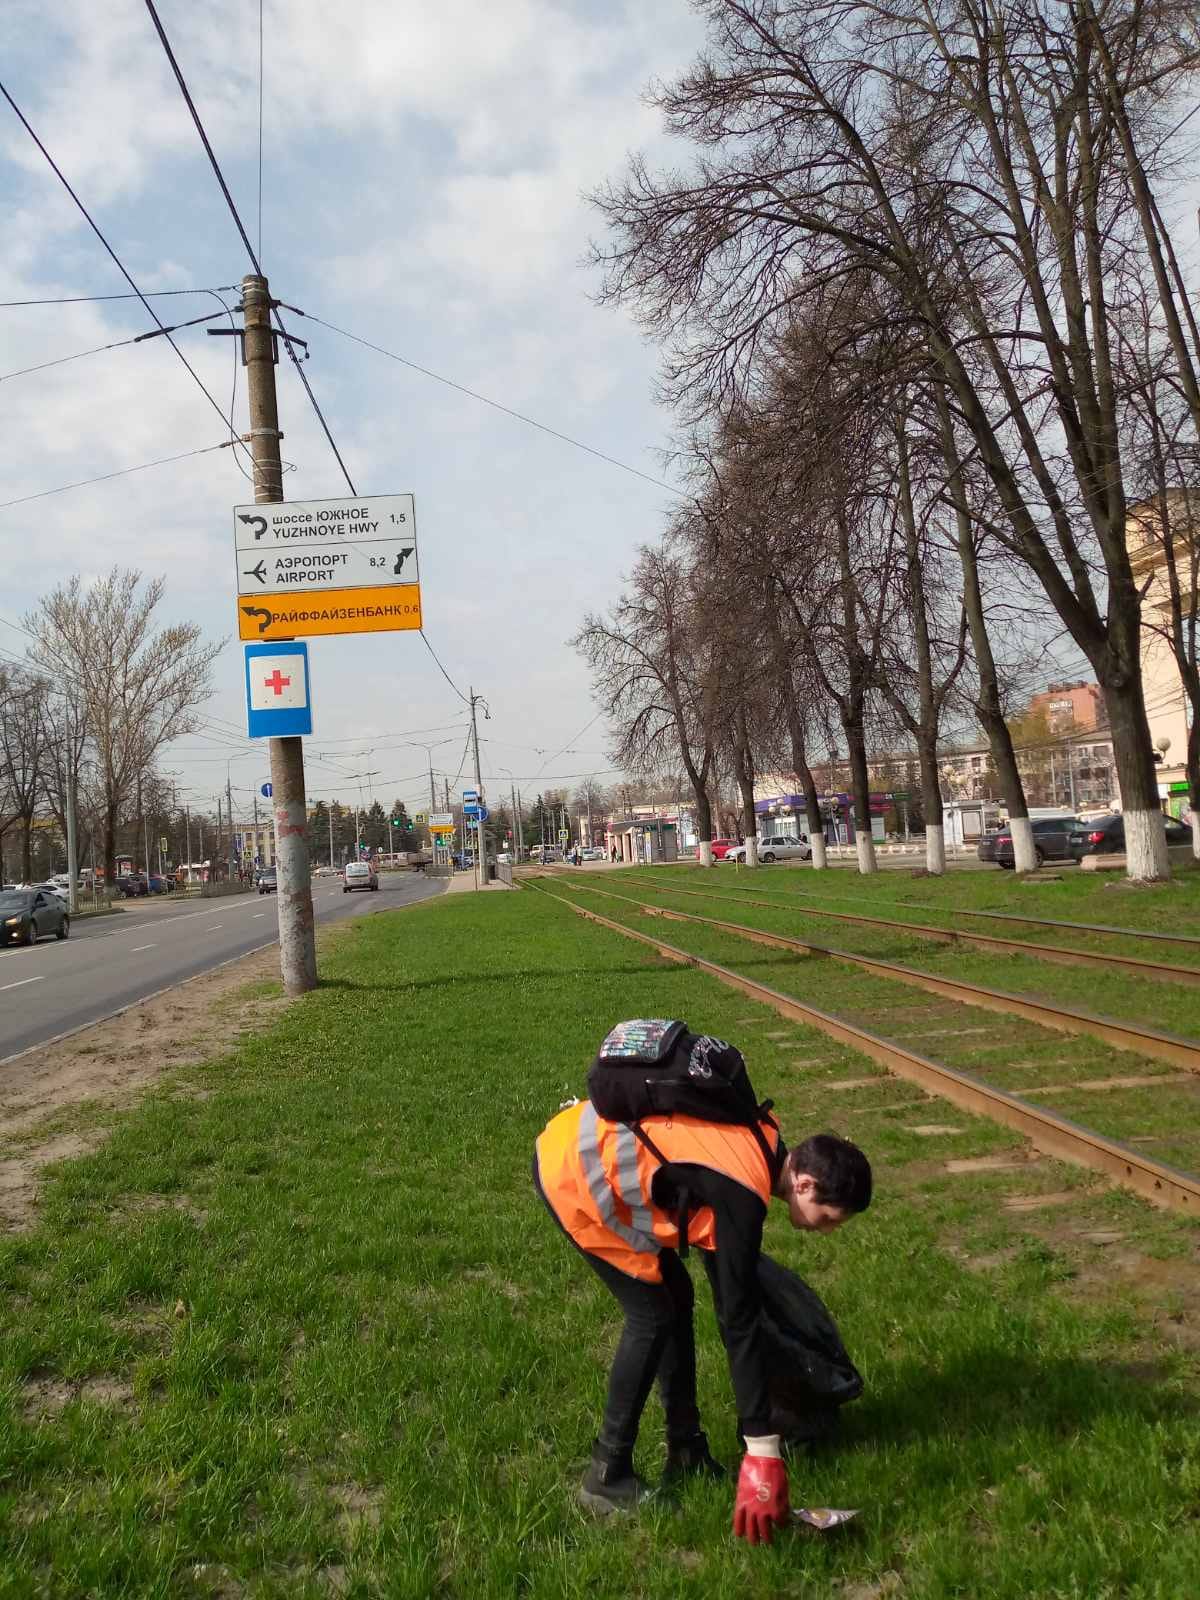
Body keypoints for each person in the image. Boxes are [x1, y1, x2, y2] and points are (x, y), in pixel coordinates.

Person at [533, 1036, 871, 1545]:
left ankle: (686, 1452)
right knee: (652, 1315)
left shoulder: (762, 1134)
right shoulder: (743, 1194)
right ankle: (606, 1476)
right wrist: (762, 1449)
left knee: (674, 1299)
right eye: (829, 1219)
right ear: (804, 1184)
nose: (825, 1232)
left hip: (582, 1149)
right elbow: (738, 1324)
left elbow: (733, 1300)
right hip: (576, 1177)